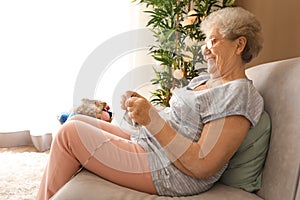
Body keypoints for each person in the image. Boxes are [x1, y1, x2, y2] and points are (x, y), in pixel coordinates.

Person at [37, 6, 264, 199]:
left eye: (213, 41)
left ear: (239, 45)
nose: (205, 49)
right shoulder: (206, 80)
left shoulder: (238, 93)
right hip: (154, 147)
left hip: (171, 171)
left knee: (70, 133)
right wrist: (141, 109)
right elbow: (178, 123)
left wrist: (152, 120)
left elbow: (203, 164)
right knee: (78, 119)